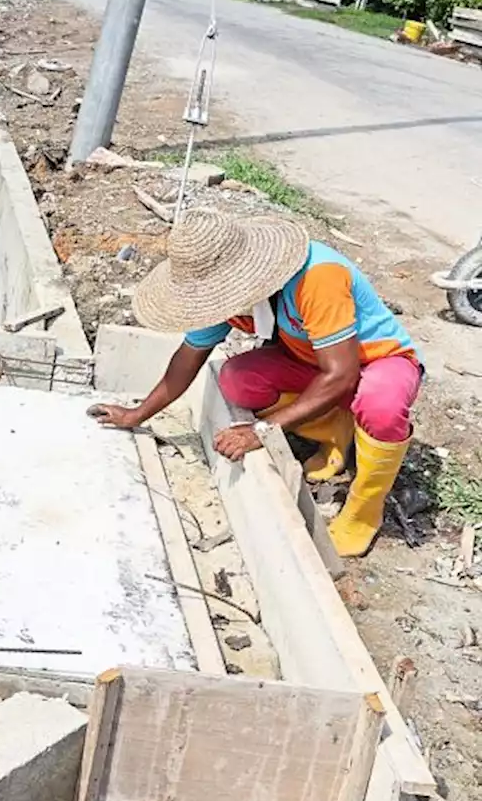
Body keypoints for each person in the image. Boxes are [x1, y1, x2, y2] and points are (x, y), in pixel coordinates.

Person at [89, 207, 422, 559]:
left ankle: (363, 511)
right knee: (239, 381)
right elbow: (190, 355)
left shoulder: (317, 278)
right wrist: (137, 414)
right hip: (315, 365)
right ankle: (337, 433)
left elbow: (341, 374)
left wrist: (263, 430)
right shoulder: (227, 299)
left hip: (377, 363)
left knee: (380, 404)